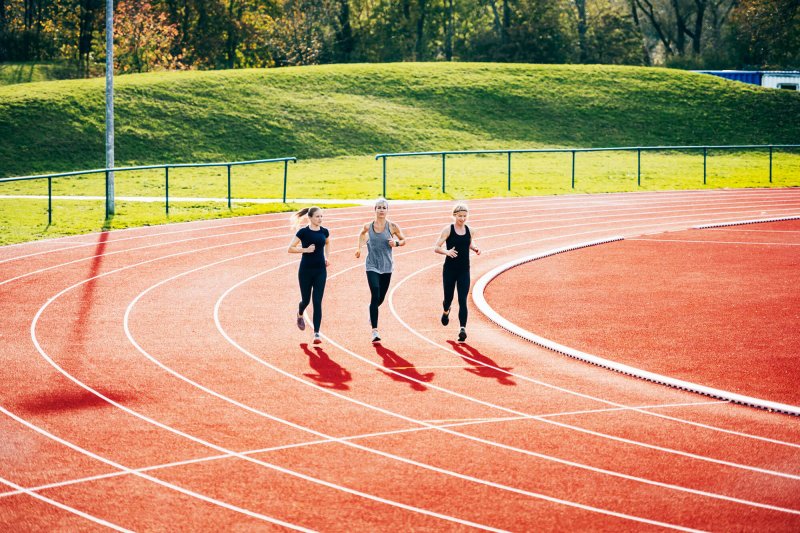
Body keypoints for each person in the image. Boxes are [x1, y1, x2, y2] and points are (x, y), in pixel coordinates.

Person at [355, 197, 406, 343]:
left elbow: (404, 240)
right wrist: (359, 248)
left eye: (384, 207)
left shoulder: (392, 227)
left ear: (387, 210)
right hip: (371, 265)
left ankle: (372, 309)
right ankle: (375, 332)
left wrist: (396, 243)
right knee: (375, 292)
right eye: (379, 207)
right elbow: (362, 234)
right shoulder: (368, 226)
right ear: (375, 210)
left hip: (387, 266)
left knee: (380, 299)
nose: (381, 210)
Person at [434, 202, 481, 342]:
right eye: (460, 216)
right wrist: (447, 252)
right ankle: (446, 311)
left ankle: (462, 329)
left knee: (462, 300)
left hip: (464, 270)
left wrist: (475, 248)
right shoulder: (448, 230)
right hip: (449, 270)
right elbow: (436, 247)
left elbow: (469, 243)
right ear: (454, 215)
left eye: (465, 216)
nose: (462, 219)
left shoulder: (470, 230)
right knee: (448, 298)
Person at [288, 206, 330, 344]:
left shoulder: (325, 231)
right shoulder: (303, 232)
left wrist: (327, 257)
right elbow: (290, 248)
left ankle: (316, 333)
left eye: (321, 216)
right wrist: (306, 249)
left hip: (320, 271)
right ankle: (300, 314)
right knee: (306, 300)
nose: (320, 219)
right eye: (317, 216)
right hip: (305, 271)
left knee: (317, 302)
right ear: (310, 217)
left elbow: (327, 243)